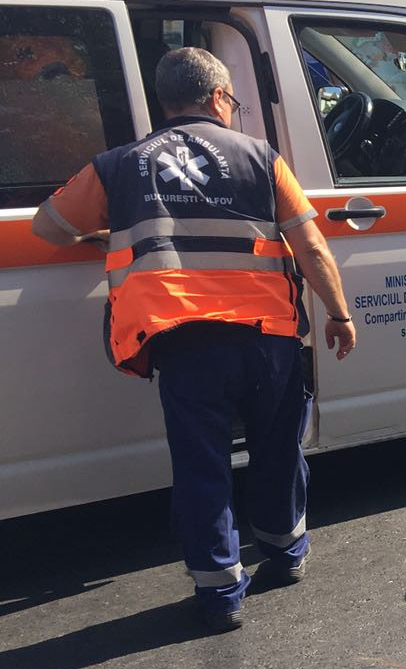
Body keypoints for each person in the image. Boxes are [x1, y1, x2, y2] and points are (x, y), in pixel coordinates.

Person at [31, 47, 357, 632]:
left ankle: (219, 593)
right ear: (216, 97)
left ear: (167, 101)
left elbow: (47, 227)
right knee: (278, 450)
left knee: (202, 464)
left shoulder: (120, 164)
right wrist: (339, 314)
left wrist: (112, 228)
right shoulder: (262, 158)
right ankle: (285, 554)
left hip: (183, 342)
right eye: (232, 98)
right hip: (267, 338)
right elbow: (310, 247)